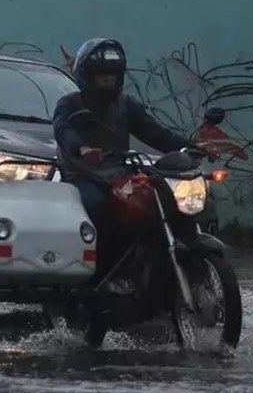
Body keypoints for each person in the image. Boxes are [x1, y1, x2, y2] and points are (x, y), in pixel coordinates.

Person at [52, 38, 217, 244]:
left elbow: (155, 133)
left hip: (119, 176)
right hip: (81, 177)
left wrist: (191, 147)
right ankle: (96, 266)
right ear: (87, 76)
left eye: (113, 75)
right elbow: (63, 130)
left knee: (158, 199)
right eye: (102, 75)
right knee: (96, 205)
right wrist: (82, 149)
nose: (109, 80)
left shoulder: (125, 105)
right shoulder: (70, 104)